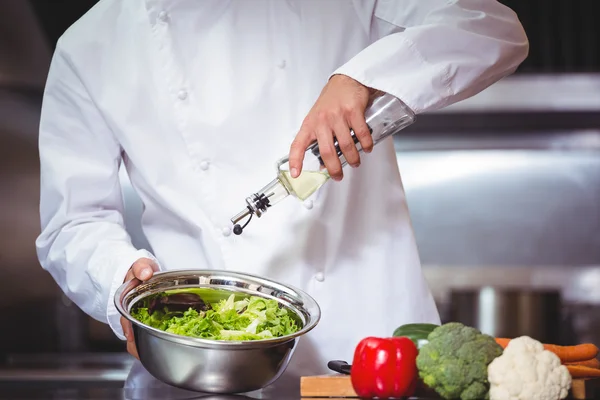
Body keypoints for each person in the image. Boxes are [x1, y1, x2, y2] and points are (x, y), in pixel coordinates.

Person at [36, 0, 528, 388]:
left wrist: (362, 76)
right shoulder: (91, 45)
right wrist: (119, 277)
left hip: (375, 356)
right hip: (199, 363)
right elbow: (73, 222)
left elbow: (491, 27)